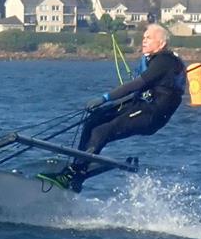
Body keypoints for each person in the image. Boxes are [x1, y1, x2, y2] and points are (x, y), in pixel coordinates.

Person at [38, 24, 186, 192]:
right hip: (140, 105)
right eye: (143, 37)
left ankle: (74, 174)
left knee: (101, 131)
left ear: (161, 44)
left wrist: (104, 98)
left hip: (152, 114)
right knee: (93, 120)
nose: (144, 41)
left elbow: (136, 84)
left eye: (148, 38)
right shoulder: (153, 60)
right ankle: (76, 172)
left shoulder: (164, 61)